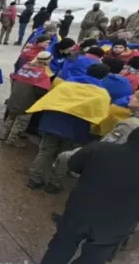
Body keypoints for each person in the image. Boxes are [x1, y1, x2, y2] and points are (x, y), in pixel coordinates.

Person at [36, 119, 139, 264]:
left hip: (82, 209)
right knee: (95, 257)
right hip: (119, 222)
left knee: (64, 242)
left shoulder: (102, 149)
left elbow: (74, 165)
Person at [26, 64, 112, 193]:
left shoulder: (67, 84)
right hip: (76, 130)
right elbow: (100, 114)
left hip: (52, 123)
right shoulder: (102, 94)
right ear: (104, 77)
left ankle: (34, 179)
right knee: (65, 156)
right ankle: (54, 183)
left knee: (45, 151)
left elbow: (49, 100)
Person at [2, 52, 53, 147]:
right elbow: (42, 91)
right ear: (48, 61)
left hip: (15, 96)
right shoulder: (42, 74)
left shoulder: (25, 67)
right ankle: (12, 139)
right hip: (27, 100)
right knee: (21, 121)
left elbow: (14, 77)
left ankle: (4, 135)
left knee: (11, 116)